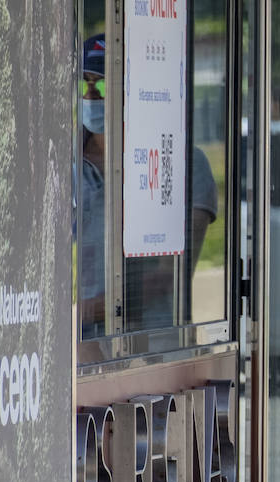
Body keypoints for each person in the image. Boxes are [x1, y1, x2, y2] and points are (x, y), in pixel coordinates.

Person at [77, 34, 218, 338]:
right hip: (79, 356)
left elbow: (168, 277)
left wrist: (76, 312)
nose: (90, 96)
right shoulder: (64, 170)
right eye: (83, 85)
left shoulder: (185, 165)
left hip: (156, 350)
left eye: (101, 85)